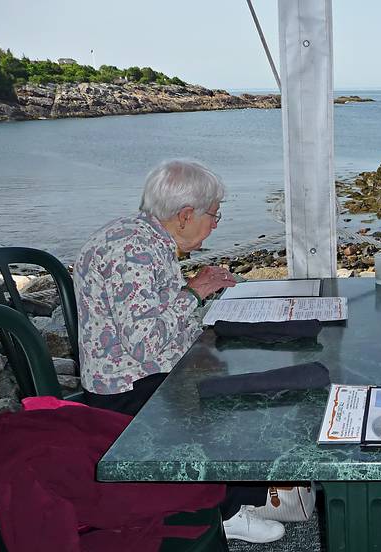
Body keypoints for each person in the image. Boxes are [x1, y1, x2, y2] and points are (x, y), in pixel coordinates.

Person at [73, 159, 285, 544]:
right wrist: (196, 291)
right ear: (186, 215)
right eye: (214, 215)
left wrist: (204, 310)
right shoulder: (133, 251)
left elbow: (160, 317)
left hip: (149, 370)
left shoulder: (146, 237)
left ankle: (244, 492)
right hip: (125, 391)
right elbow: (145, 343)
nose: (217, 224)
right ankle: (226, 510)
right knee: (234, 398)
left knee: (240, 365)